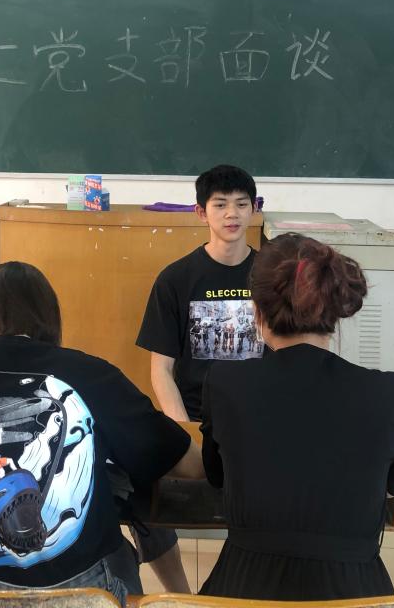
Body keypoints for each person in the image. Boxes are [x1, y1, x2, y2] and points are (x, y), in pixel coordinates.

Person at [0, 261, 203, 603]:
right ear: (47, 314)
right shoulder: (91, 374)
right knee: (122, 545)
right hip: (84, 591)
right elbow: (185, 462)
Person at [198, 233, 394, 601]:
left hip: (242, 588)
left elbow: (216, 476)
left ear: (257, 311)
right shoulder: (390, 392)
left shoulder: (225, 382)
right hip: (354, 592)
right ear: (333, 310)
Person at [134, 164, 262, 591]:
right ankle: (179, 594)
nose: (232, 214)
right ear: (200, 212)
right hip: (194, 418)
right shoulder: (176, 279)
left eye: (241, 204)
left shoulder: (272, 277)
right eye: (220, 205)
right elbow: (161, 370)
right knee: (137, 486)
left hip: (258, 420)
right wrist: (184, 431)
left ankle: (247, 583)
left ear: (254, 210)